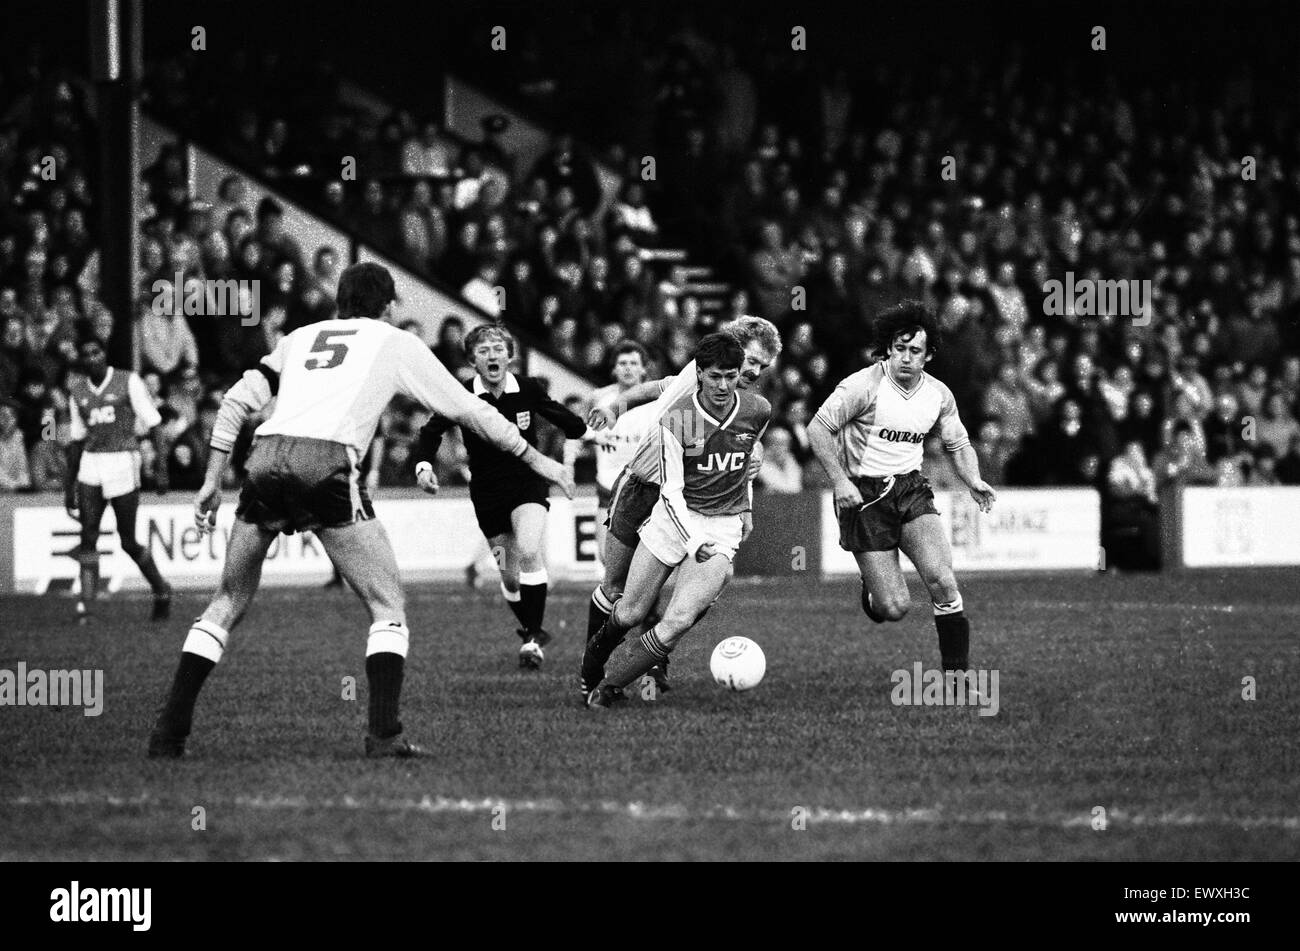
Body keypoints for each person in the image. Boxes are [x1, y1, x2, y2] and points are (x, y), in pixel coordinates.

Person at [147, 264, 573, 760]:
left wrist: (208, 480)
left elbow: (237, 401)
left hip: (263, 458)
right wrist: (537, 458)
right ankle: (384, 734)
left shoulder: (300, 337)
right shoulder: (394, 342)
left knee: (226, 601)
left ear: (339, 302)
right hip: (325, 462)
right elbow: (471, 411)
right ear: (389, 305)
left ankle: (169, 732)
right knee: (387, 604)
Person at [584, 316, 781, 691]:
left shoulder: (748, 405)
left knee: (700, 583)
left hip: (692, 500)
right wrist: (616, 406)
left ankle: (653, 663)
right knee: (616, 587)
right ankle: (592, 669)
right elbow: (652, 390)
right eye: (752, 361)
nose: (754, 372)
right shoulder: (699, 377)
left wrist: (746, 504)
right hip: (645, 486)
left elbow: (742, 456)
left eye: (761, 367)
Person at [807, 302, 995, 678]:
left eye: (914, 351)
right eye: (899, 349)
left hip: (910, 488)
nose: (905, 358)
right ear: (888, 349)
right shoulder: (862, 386)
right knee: (894, 608)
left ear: (928, 356)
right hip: (863, 496)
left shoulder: (938, 395)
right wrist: (840, 481)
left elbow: (958, 443)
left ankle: (956, 679)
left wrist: (972, 479)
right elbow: (817, 429)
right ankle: (872, 589)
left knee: (943, 580)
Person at [412, 324, 591, 670]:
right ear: (472, 361)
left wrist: (593, 433)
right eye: (483, 351)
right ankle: (528, 629)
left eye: (498, 349)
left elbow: (561, 416)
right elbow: (431, 431)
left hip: (528, 482)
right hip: (487, 490)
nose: (492, 355)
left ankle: (534, 640)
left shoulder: (528, 389)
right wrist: (422, 465)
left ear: (510, 356)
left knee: (528, 549)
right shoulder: (460, 395)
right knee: (508, 574)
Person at [64, 331, 172, 623]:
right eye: (86, 354)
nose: (92, 358)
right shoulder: (76, 391)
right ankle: (86, 608)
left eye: (96, 352)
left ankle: (161, 590)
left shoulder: (128, 380)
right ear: (81, 360)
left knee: (127, 540)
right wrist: (68, 486)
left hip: (123, 461)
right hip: (91, 463)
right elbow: (76, 440)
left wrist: (162, 468)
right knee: (88, 534)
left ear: (104, 354)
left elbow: (155, 424)